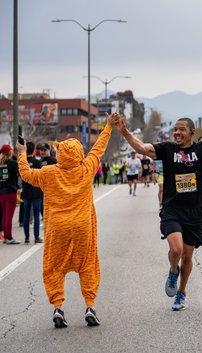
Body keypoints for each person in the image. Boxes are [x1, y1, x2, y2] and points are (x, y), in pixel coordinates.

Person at [117, 98, 202, 311]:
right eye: (174, 129)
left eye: (181, 130)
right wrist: (125, 132)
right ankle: (172, 271)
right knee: (176, 250)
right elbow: (142, 148)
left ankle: (182, 292)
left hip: (194, 212)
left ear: (191, 132)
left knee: (187, 257)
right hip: (172, 209)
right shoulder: (167, 149)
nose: (176, 133)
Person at [17, 113, 119, 328]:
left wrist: (21, 152)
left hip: (58, 227)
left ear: (61, 154)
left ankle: (58, 308)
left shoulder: (48, 172)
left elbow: (25, 174)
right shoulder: (87, 168)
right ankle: (90, 306)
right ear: (79, 154)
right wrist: (108, 126)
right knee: (88, 264)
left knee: (54, 267)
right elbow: (99, 148)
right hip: (83, 226)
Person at [22, 142, 43, 244]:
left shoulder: (23, 162)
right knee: (36, 215)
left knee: (26, 215)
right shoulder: (37, 162)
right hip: (36, 192)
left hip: (26, 192)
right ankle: (36, 237)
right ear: (34, 150)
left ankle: (26, 237)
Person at [0, 144, 20, 244]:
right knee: (9, 216)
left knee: (4, 215)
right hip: (10, 192)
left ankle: (5, 236)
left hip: (1, 192)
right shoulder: (13, 163)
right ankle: (9, 237)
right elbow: (20, 174)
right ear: (10, 152)